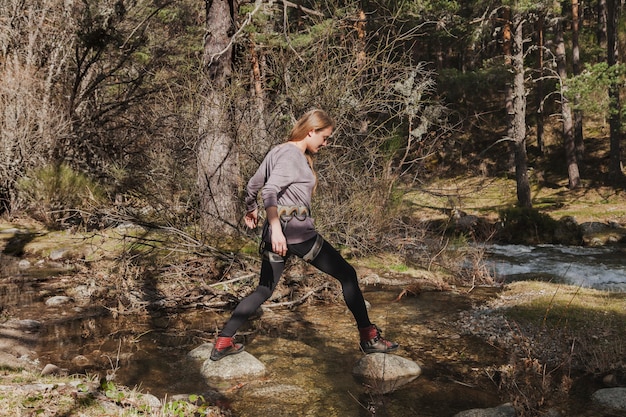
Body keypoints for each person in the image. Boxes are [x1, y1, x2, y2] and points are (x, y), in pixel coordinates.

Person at [210, 109, 398, 361]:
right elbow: (269, 191)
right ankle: (369, 338)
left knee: (264, 291)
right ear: (311, 131)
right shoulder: (291, 156)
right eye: (325, 137)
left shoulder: (278, 150)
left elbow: (252, 185)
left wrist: (251, 209)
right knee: (348, 275)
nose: (326, 143)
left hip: (275, 235)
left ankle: (223, 341)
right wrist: (277, 229)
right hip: (297, 234)